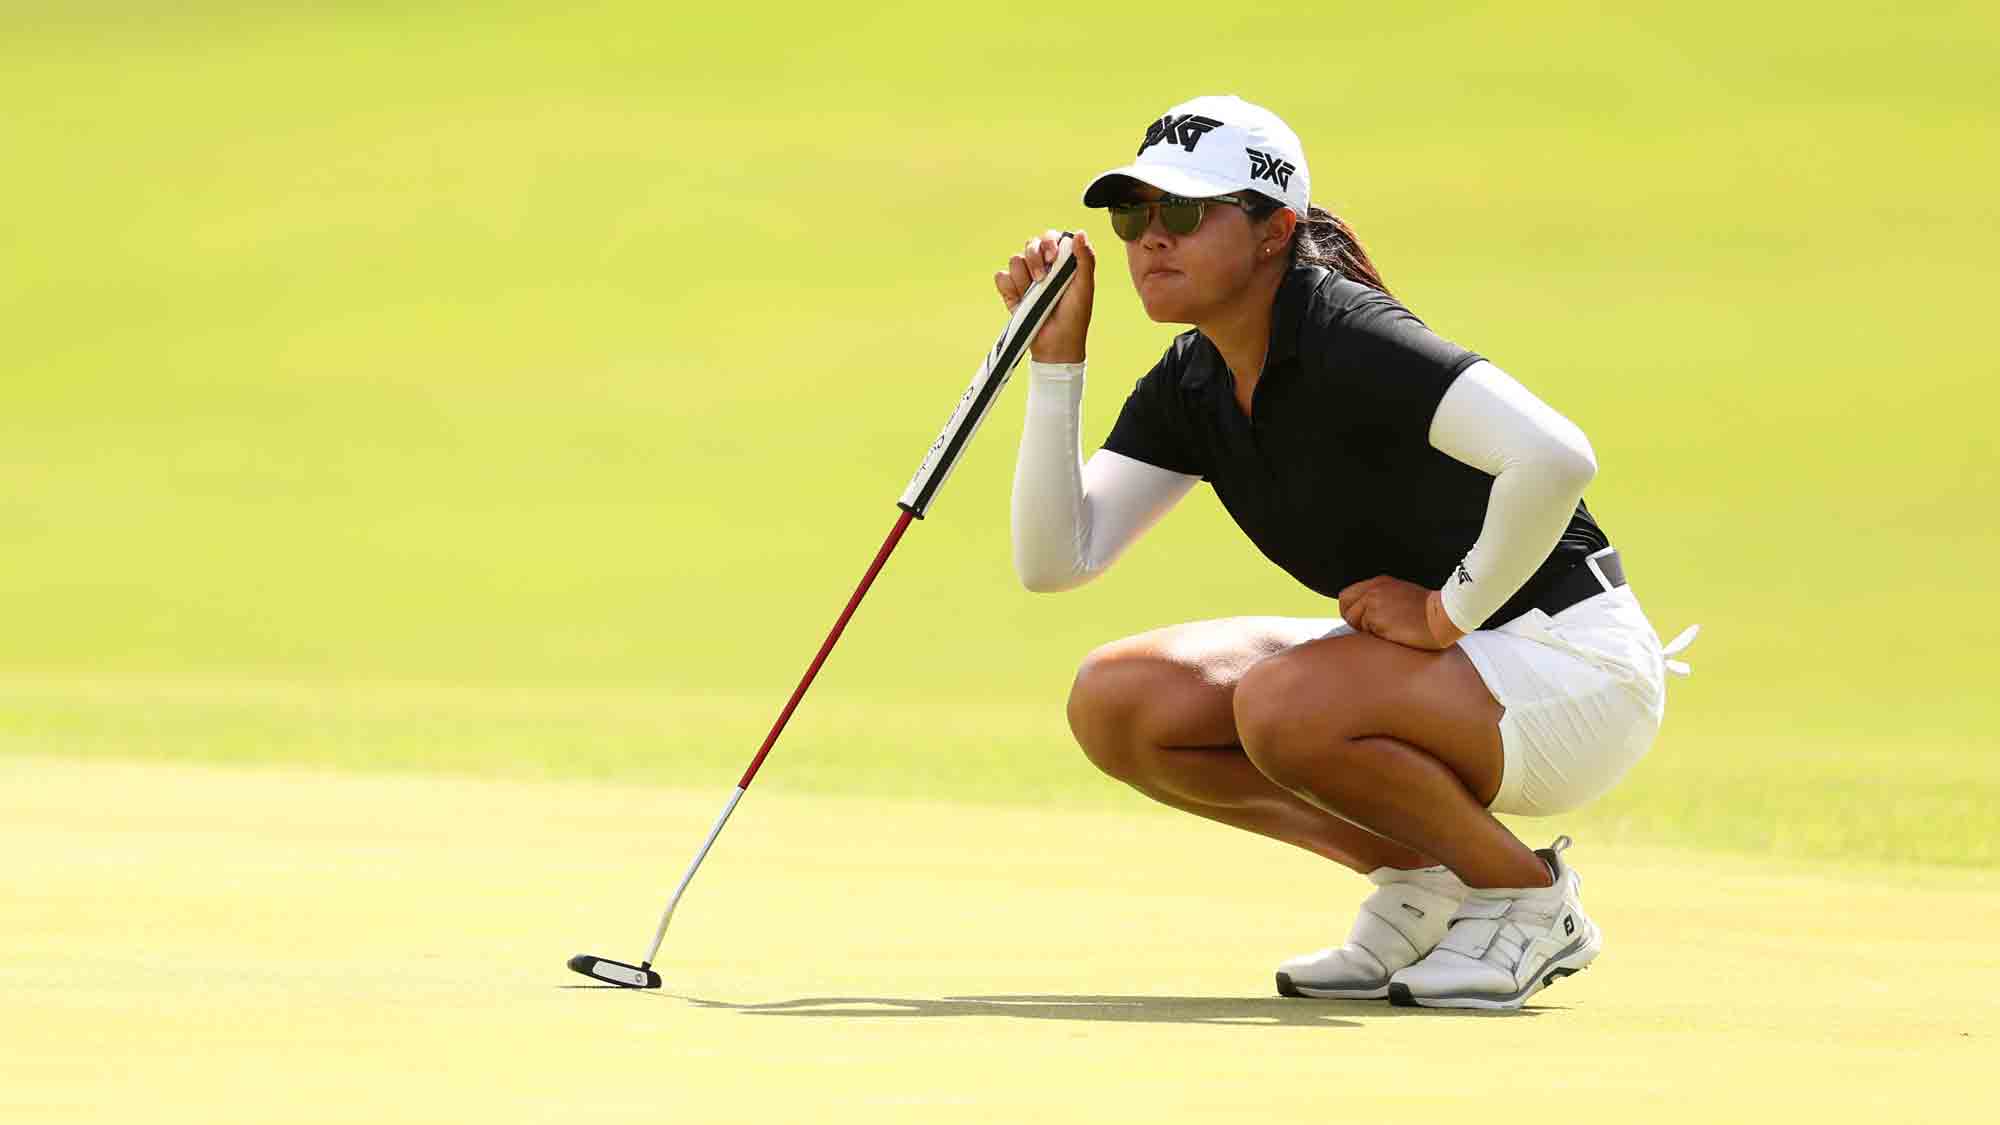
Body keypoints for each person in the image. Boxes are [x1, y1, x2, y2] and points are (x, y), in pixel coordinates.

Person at [996, 94, 1700, 1010]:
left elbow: (1557, 456)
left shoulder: (1346, 334)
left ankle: (1529, 899)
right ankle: (1428, 883)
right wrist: (1056, 365)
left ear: (1272, 232)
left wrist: (1444, 611)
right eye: (1132, 214)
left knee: (1283, 704)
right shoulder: (1195, 378)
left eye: (1182, 212)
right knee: (1121, 701)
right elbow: (1059, 557)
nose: (1147, 241)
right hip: (1444, 673)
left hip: (1571, 664)